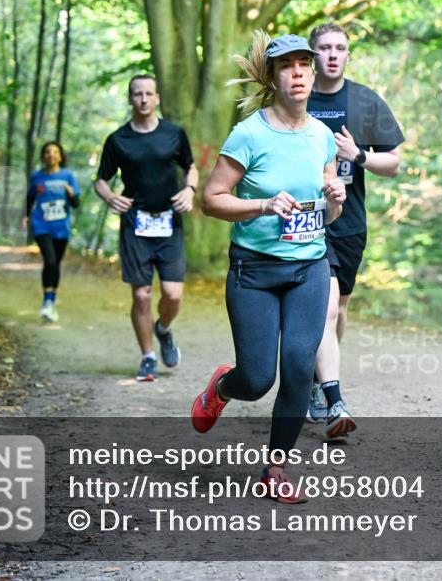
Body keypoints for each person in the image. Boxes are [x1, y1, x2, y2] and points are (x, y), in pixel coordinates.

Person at [192, 32, 346, 503]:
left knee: (299, 368)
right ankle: (222, 384)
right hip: (254, 272)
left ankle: (275, 468)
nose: (298, 73)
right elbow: (211, 200)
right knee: (257, 379)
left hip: (309, 267)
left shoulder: (322, 136)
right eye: (287, 66)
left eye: (305, 63)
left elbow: (325, 209)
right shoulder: (249, 134)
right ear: (272, 76)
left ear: (313, 71)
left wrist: (334, 199)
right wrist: (262, 206)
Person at [305, 23, 405, 438]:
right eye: (325, 47)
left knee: (339, 310)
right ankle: (331, 396)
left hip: (349, 222)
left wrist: (358, 155)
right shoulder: (296, 96)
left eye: (340, 48)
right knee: (325, 308)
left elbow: (395, 163)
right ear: (312, 55)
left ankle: (318, 374)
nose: (332, 54)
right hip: (304, 219)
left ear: (348, 55)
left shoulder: (365, 101)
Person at [94, 74, 198, 382]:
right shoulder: (118, 140)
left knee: (173, 294)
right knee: (141, 295)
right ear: (130, 99)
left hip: (169, 222)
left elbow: (190, 166)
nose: (142, 99)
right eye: (137, 94)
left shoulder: (174, 134)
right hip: (135, 223)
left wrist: (190, 189)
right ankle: (148, 356)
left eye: (148, 93)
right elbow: (100, 179)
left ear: (157, 99)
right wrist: (111, 197)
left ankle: (163, 328)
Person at [24, 141, 80, 323]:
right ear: (43, 156)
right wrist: (25, 216)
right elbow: (30, 198)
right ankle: (47, 303)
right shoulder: (37, 177)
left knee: (55, 264)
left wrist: (71, 194)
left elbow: (76, 204)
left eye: (55, 152)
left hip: (61, 227)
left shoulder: (68, 176)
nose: (51, 155)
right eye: (47, 152)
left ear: (61, 156)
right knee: (49, 259)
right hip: (41, 225)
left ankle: (51, 302)